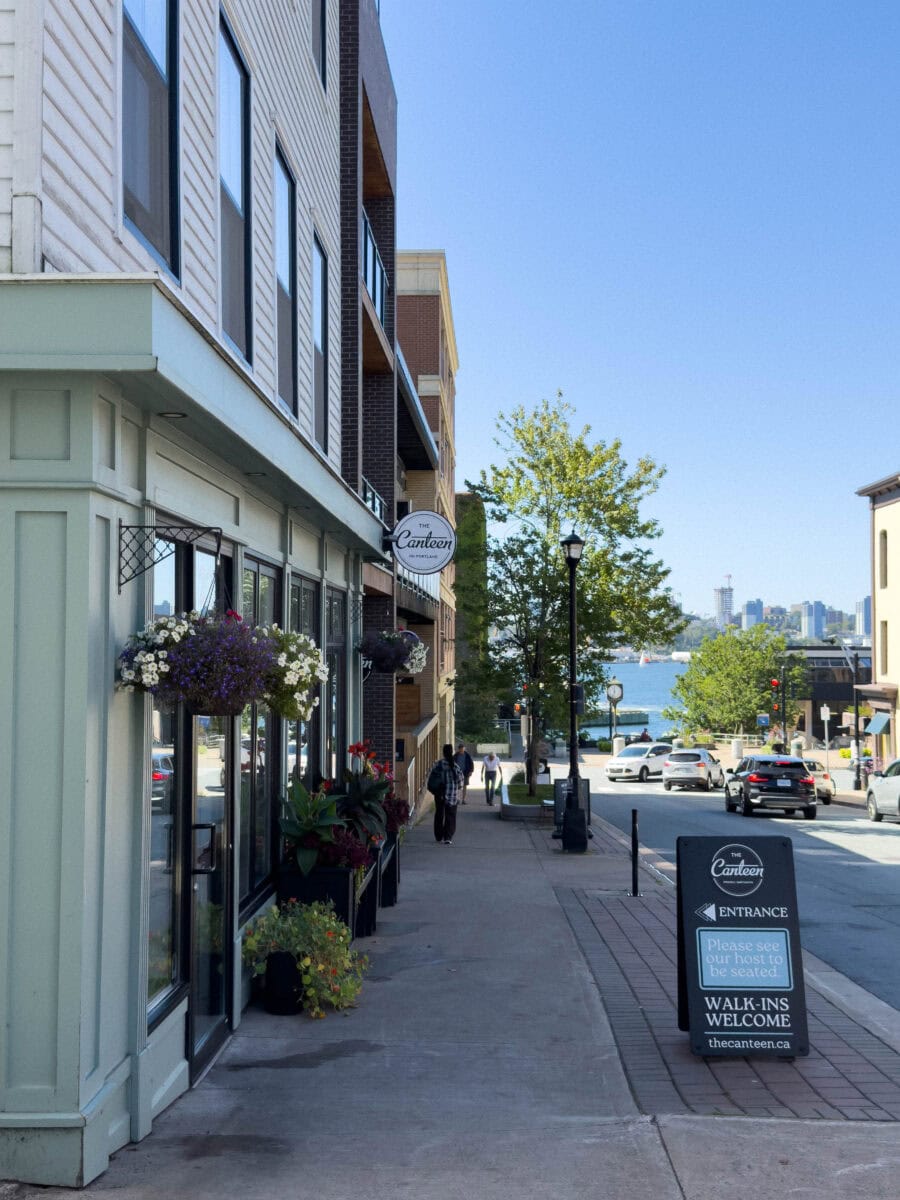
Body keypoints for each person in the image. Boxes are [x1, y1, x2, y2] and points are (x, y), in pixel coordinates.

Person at [432, 743, 464, 845]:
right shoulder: (456, 766)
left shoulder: (439, 765)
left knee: (439, 815)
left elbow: (432, 778)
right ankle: (448, 837)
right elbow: (461, 782)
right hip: (452, 795)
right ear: (452, 752)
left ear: (443, 753)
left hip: (439, 795)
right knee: (451, 816)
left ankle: (439, 836)